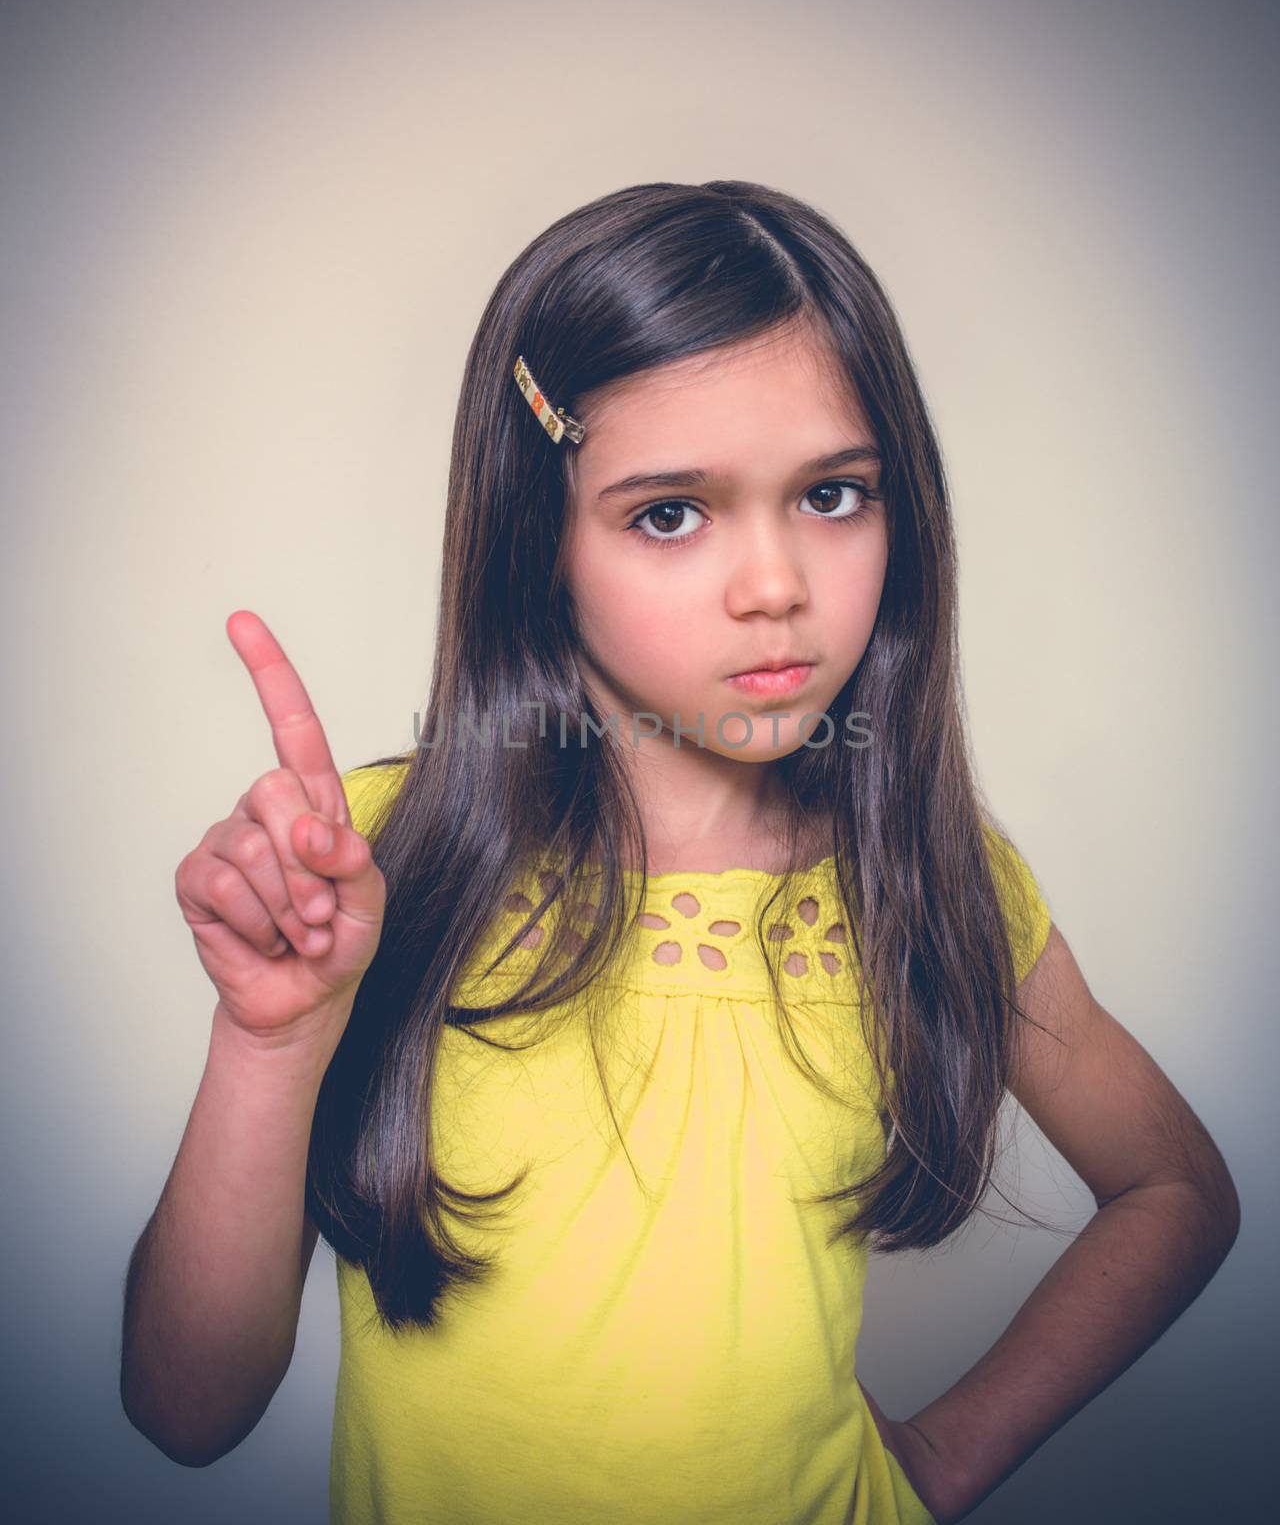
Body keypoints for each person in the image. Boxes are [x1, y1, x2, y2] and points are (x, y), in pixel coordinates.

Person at [119, 180, 1240, 1525]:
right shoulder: (373, 866)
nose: (774, 584)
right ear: (545, 538)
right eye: (670, 513)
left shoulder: (924, 876)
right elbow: (184, 1414)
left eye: (833, 494)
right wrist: (267, 1048)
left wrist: (942, 1459)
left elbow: (1177, 1188)